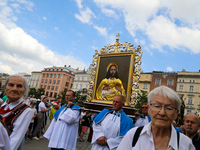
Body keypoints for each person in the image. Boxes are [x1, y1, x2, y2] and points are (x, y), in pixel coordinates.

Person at [117, 86, 195, 150]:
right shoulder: (133, 136)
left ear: (176, 114)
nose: (162, 113)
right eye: (157, 106)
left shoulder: (185, 144)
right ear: (149, 109)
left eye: (169, 108)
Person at [0, 74, 34, 150]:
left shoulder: (26, 111)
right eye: (11, 85)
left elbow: (14, 142)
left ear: (24, 90)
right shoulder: (2, 105)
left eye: (19, 86)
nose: (14, 89)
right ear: (5, 88)